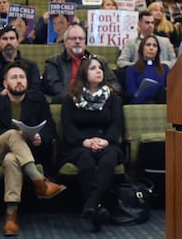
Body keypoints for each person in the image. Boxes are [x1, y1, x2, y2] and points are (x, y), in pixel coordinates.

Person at [0, 62, 66, 236]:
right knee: (13, 134)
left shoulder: (38, 100)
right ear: (5, 84)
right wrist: (16, 135)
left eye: (21, 77)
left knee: (12, 159)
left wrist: (42, 138)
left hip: (21, 155)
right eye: (14, 77)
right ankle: (40, 181)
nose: (19, 81)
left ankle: (11, 216)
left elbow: (50, 128)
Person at [60, 54, 123, 233]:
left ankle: (91, 205)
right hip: (79, 144)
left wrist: (105, 140)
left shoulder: (112, 97)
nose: (98, 71)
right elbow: (68, 126)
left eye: (100, 68)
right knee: (86, 160)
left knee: (108, 159)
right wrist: (85, 141)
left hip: (106, 142)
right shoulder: (71, 97)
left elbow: (116, 124)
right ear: (84, 73)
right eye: (93, 68)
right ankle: (98, 207)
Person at [42, 25, 120, 104]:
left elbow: (114, 84)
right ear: (65, 42)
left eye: (81, 38)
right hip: (68, 101)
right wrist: (80, 96)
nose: (77, 41)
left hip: (96, 100)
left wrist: (98, 94)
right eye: (74, 38)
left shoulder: (99, 61)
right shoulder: (54, 62)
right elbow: (55, 87)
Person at [0, 25, 41, 101]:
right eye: (5, 39)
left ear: (17, 42)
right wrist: (1, 92)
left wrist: (17, 93)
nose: (9, 42)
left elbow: (36, 90)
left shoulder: (31, 66)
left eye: (12, 38)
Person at [125, 35, 170, 104]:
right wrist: (155, 88)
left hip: (160, 102)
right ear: (142, 48)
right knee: (158, 89)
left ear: (158, 50)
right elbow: (133, 93)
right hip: (139, 103)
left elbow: (170, 91)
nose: (151, 48)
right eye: (148, 45)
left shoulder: (165, 68)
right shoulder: (131, 69)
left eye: (155, 46)